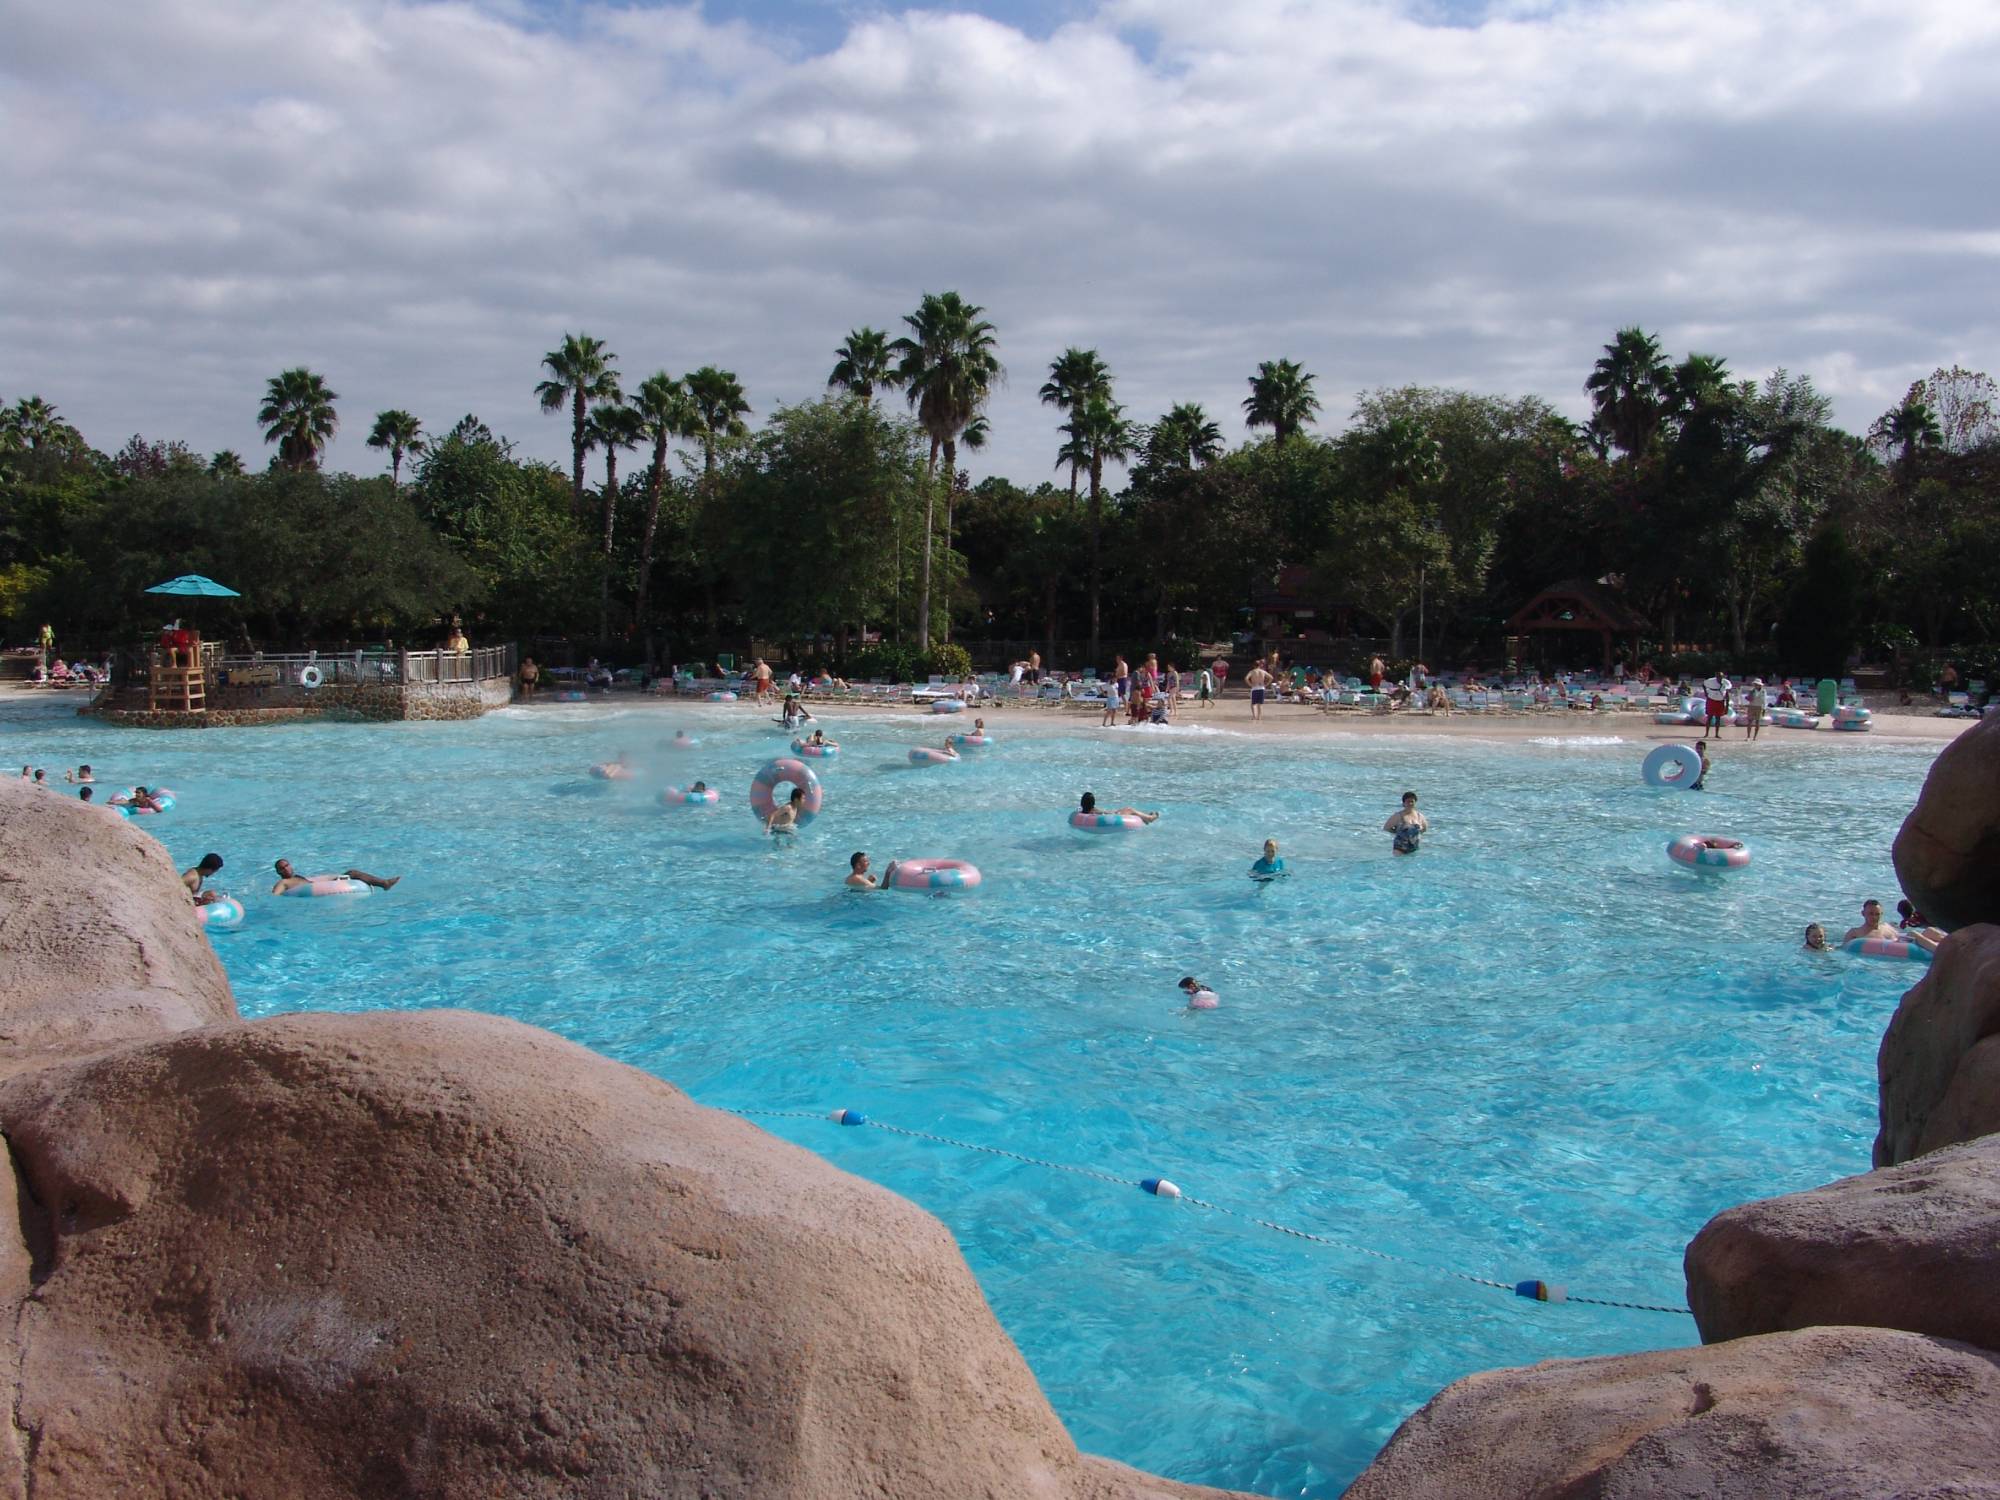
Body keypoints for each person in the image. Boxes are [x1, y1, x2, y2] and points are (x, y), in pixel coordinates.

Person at [272, 858, 400, 894]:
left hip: (319, 886)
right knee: (353, 873)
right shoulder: (283, 883)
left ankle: (384, 883)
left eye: (287, 865)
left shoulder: (297, 877)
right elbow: (275, 895)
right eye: (282, 868)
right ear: (279, 872)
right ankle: (385, 884)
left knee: (352, 872)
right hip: (317, 890)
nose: (286, 868)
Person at [1079, 791, 1158, 823]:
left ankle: (1144, 819)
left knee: (1127, 810)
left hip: (1111, 815)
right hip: (1114, 816)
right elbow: (1103, 813)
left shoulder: (1083, 810)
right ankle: (1150, 818)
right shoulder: (1093, 810)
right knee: (1129, 809)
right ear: (1093, 802)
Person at [1701, 669, 1733, 739]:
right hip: (1711, 701)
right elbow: (1703, 684)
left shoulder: (1726, 682)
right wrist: (1706, 693)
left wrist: (1727, 706)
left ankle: (1716, 734)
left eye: (1721, 676)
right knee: (1709, 717)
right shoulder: (1710, 681)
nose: (1719, 678)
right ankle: (1706, 734)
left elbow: (1727, 693)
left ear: (1723, 676)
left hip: (1720, 702)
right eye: (1718, 676)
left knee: (1718, 718)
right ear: (1716, 676)